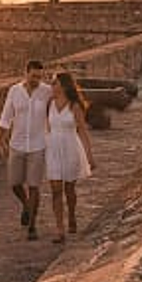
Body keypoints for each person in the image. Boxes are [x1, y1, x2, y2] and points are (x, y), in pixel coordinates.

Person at [0, 58, 53, 240]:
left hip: (38, 144)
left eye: (39, 77)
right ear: (25, 73)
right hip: (17, 144)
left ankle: (32, 226)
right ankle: (27, 206)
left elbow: (54, 115)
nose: (36, 79)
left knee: (34, 185)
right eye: (33, 76)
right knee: (15, 183)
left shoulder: (47, 92)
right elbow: (5, 119)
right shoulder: (14, 91)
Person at [45, 70, 94, 243]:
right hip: (54, 148)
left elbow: (82, 130)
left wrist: (89, 155)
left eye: (55, 83)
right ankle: (60, 229)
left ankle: (72, 215)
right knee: (56, 190)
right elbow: (47, 127)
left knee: (69, 189)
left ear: (64, 85)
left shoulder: (74, 105)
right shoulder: (50, 103)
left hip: (70, 146)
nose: (52, 86)